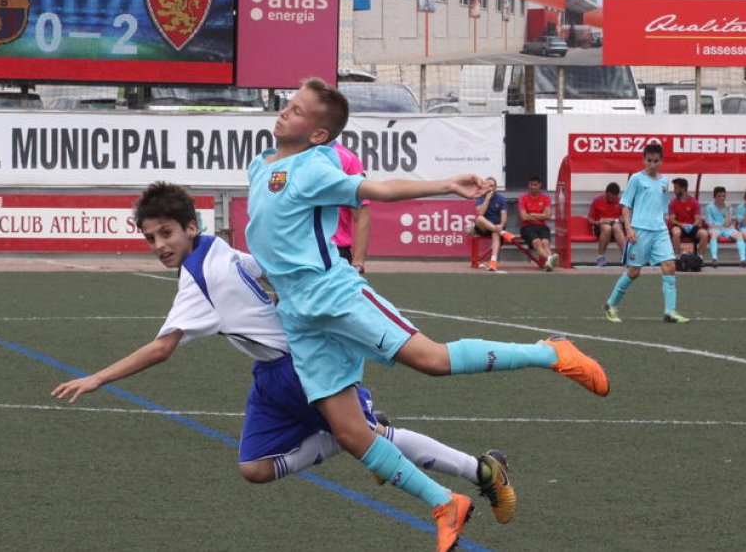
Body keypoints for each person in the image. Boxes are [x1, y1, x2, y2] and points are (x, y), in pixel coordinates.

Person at [245, 78, 609, 551]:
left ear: (318, 134)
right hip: (298, 314)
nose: (284, 112)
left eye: (297, 110)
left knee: (432, 360)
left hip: (332, 295)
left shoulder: (315, 165)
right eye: (288, 105)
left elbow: (380, 188)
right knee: (351, 433)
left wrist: (445, 184)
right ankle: (445, 502)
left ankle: (551, 353)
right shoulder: (259, 164)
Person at [51, 182, 519, 525]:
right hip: (271, 374)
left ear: (191, 227)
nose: (159, 246)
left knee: (368, 437)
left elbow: (162, 348)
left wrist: (98, 377)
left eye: (166, 233)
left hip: (299, 367)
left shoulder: (201, 275)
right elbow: (263, 268)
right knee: (255, 467)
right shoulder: (213, 249)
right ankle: (349, 434)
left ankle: (480, 470)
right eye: (151, 238)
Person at [602, 143, 689, 324]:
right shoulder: (636, 179)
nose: (652, 164)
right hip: (640, 231)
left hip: (660, 231)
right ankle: (611, 304)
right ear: (643, 160)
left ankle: (670, 311)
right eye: (649, 160)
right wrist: (629, 229)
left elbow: (662, 208)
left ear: (661, 161)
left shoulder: (664, 182)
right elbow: (625, 206)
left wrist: (664, 224)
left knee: (670, 265)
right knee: (634, 272)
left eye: (656, 161)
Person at [332, 141, 370, 274]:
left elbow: (361, 215)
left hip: (335, 252)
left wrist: (358, 261)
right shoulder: (293, 155)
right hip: (297, 250)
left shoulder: (346, 159)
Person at [518, 174, 559, 271]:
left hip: (542, 226)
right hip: (527, 227)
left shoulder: (545, 198)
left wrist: (531, 214)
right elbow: (523, 217)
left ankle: (549, 262)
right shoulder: (522, 198)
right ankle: (550, 259)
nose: (533, 187)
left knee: (545, 243)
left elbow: (548, 216)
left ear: (540, 185)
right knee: (537, 242)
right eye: (531, 185)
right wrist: (540, 215)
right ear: (528, 185)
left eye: (535, 185)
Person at [470, 176, 510, 272]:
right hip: (484, 227)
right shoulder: (481, 197)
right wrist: (487, 199)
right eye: (487, 186)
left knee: (496, 234)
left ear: (495, 188)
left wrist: (501, 225)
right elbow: (480, 213)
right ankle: (502, 232)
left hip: (497, 226)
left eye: (492, 186)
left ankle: (493, 261)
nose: (490, 188)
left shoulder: (501, 199)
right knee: (479, 219)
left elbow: (504, 215)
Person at [702, 186, 745, 268]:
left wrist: (727, 210)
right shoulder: (709, 208)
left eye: (723, 196)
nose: (722, 198)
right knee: (713, 234)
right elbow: (710, 224)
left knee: (739, 235)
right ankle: (714, 259)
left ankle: (743, 259)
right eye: (719, 196)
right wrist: (723, 227)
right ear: (714, 197)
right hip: (714, 229)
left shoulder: (728, 207)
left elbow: (728, 223)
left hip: (727, 229)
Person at [587, 182, 626, 266]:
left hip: (616, 226)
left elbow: (625, 217)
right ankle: (600, 257)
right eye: (610, 196)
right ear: (606, 193)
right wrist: (599, 222)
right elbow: (590, 219)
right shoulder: (597, 201)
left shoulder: (621, 201)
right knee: (607, 228)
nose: (612, 198)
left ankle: (625, 256)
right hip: (601, 227)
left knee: (617, 227)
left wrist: (622, 219)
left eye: (614, 197)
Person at [666, 177, 707, 257]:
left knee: (704, 234)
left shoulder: (693, 202)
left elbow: (698, 219)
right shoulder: (673, 203)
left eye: (676, 188)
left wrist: (691, 226)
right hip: (679, 226)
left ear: (683, 188)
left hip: (692, 226)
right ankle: (677, 256)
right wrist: (682, 225)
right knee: (676, 233)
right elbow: (672, 220)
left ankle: (699, 257)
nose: (674, 190)